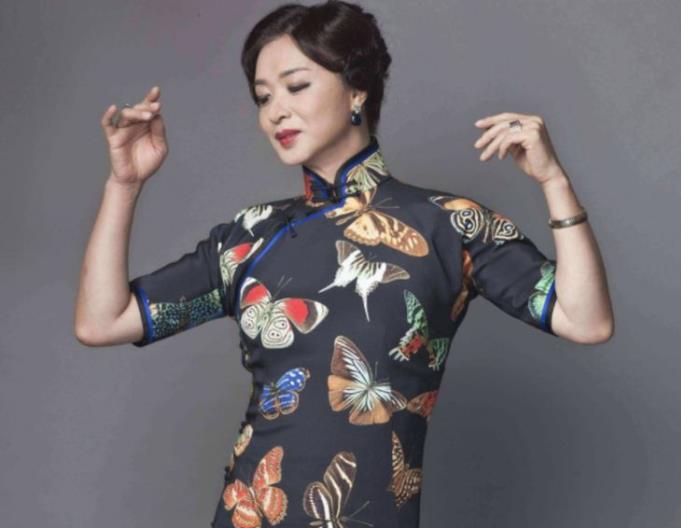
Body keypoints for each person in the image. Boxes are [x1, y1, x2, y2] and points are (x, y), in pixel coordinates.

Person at [74, 1, 614, 526]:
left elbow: (586, 321)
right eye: (263, 97)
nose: (275, 112)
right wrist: (124, 185)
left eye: (296, 86)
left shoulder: (449, 225)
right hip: (254, 512)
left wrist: (553, 182)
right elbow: (103, 321)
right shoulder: (250, 236)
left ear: (357, 88)